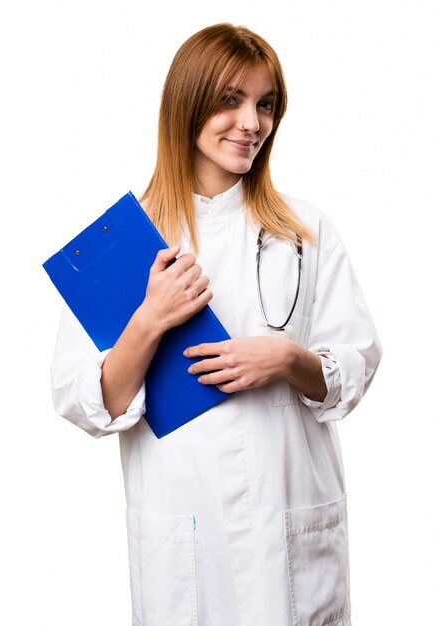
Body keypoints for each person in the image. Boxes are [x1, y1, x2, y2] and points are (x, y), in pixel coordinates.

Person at [51, 23, 382, 626]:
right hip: (184, 529)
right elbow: (88, 403)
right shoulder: (123, 245)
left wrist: (285, 359)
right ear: (187, 102)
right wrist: (149, 320)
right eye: (230, 99)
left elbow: (354, 364)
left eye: (265, 104)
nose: (251, 123)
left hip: (291, 526)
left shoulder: (306, 232)